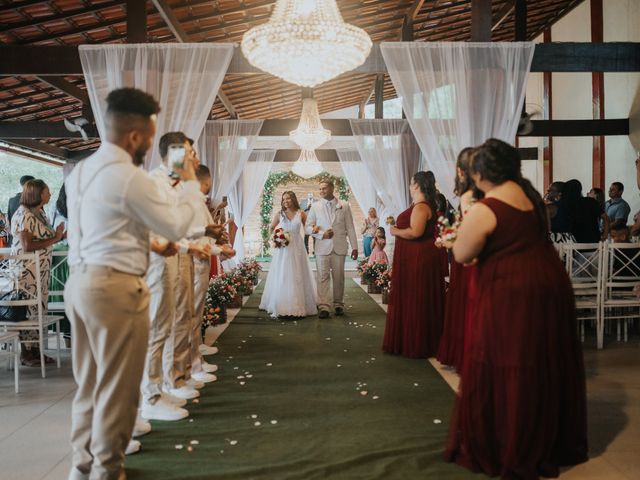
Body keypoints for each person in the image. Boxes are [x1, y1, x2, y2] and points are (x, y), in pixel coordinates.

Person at [64, 87, 226, 480]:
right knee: (119, 388)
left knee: (90, 384)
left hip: (80, 283)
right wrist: (189, 179)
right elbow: (177, 226)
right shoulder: (128, 176)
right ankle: (106, 470)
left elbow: (113, 225)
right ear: (136, 136)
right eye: (151, 137)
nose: (153, 146)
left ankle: (80, 466)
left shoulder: (82, 169)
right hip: (115, 287)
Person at [445, 139, 588, 479]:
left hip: (513, 289)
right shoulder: (530, 198)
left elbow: (463, 254)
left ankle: (508, 441)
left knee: (507, 360)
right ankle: (544, 437)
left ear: (481, 172)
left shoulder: (487, 206)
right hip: (549, 283)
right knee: (540, 359)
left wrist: (459, 230)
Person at [383, 172, 445, 358]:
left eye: (411, 183)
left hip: (418, 258)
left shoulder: (421, 207)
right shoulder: (422, 205)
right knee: (417, 297)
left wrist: (395, 231)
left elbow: (416, 232)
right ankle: (417, 339)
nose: (409, 186)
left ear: (417, 185)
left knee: (417, 297)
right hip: (417, 256)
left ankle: (416, 342)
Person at [8, 179, 65, 366]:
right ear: (38, 194)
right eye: (47, 191)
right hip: (27, 273)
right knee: (27, 311)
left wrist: (58, 237)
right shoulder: (24, 215)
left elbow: (44, 237)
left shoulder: (39, 213)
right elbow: (27, 246)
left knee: (38, 311)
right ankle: (27, 354)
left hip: (40, 273)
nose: (49, 194)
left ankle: (36, 351)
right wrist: (55, 238)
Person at [437, 147, 478, 372]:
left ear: (462, 172)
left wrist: (450, 239)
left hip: (470, 257)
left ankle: (466, 353)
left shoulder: (469, 195)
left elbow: (471, 229)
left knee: (467, 303)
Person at [260, 191, 318, 318]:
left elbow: (308, 228)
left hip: (297, 247)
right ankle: (282, 303)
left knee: (298, 273)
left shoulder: (301, 213)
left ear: (293, 199)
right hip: (283, 248)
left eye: (288, 198)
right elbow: (271, 227)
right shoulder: (280, 214)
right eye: (283, 199)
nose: (285, 201)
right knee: (283, 273)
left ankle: (298, 303)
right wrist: (275, 237)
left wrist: (316, 232)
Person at [306, 180, 358, 318]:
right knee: (322, 277)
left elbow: (350, 227)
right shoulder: (315, 206)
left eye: (324, 188)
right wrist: (322, 234)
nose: (321, 191)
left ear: (332, 188)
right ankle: (324, 306)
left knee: (339, 277)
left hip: (339, 247)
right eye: (320, 188)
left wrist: (355, 247)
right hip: (322, 247)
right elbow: (307, 227)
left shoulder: (344, 205)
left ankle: (338, 304)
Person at [6, 174, 34, 245]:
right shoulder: (33, 200)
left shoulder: (12, 200)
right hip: (29, 241)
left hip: (14, 240)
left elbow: (9, 221)